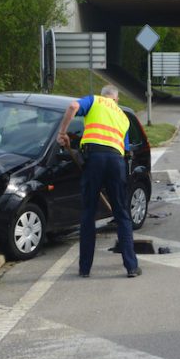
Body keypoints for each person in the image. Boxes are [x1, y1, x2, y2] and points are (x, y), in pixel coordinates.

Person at [56, 84, 141, 278]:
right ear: (116, 99)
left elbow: (72, 107)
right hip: (116, 163)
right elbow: (125, 150)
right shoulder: (122, 116)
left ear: (104, 96)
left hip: (93, 160)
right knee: (122, 215)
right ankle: (132, 267)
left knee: (88, 214)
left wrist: (63, 133)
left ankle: (84, 269)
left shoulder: (95, 100)